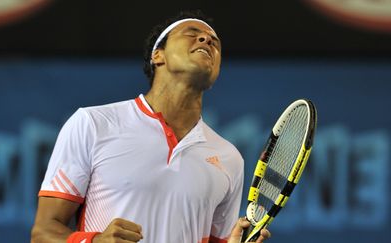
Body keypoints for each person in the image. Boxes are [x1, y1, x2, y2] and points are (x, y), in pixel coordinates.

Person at [31, 10, 271, 243]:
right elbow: (43, 233)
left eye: (215, 43)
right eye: (192, 33)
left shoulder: (229, 158)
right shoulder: (92, 124)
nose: (207, 39)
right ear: (158, 55)